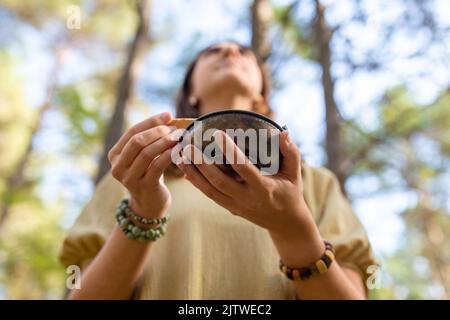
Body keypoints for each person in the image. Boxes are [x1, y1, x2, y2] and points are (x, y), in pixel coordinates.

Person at [59, 41, 378, 299]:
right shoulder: (132, 176)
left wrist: (294, 233)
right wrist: (144, 212)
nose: (230, 53)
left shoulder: (316, 183)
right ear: (191, 92)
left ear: (260, 95)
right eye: (214, 51)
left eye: (243, 53)